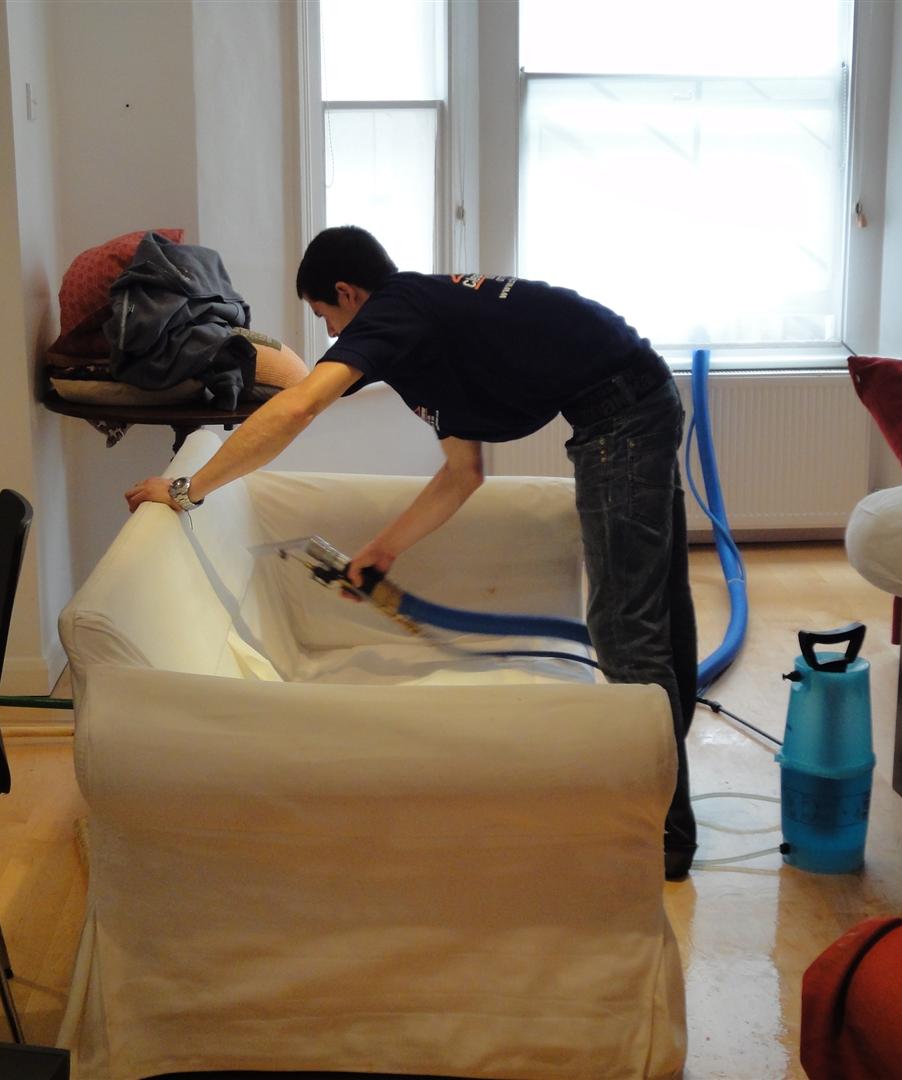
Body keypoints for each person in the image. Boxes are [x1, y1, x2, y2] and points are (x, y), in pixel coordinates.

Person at [125, 226, 700, 880]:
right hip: (634, 397)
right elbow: (462, 473)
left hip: (621, 415)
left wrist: (185, 489)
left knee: (626, 628)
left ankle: (665, 831)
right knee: (657, 609)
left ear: (347, 292)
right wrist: (383, 549)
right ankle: (671, 807)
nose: (331, 334)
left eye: (325, 315)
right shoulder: (428, 329)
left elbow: (300, 406)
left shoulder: (394, 312)